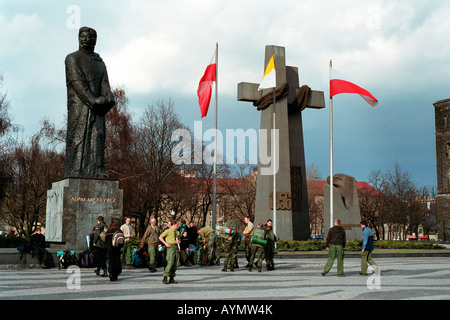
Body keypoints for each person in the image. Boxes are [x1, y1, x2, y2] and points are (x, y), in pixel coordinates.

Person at [64, 26, 115, 178]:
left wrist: (109, 99)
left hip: (98, 110)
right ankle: (75, 172)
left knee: (97, 138)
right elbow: (77, 83)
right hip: (80, 109)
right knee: (78, 140)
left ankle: (98, 170)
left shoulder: (100, 63)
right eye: (83, 36)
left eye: (89, 37)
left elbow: (105, 84)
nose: (85, 39)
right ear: (79, 38)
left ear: (95, 40)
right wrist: (94, 101)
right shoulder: (72, 59)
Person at [159, 219, 181, 284]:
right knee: (170, 262)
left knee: (175, 263)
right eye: (177, 224)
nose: (178, 226)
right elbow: (160, 237)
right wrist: (165, 244)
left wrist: (179, 242)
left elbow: (179, 240)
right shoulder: (168, 231)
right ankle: (165, 277)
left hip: (176, 247)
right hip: (170, 247)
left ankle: (172, 278)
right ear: (173, 225)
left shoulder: (177, 232)